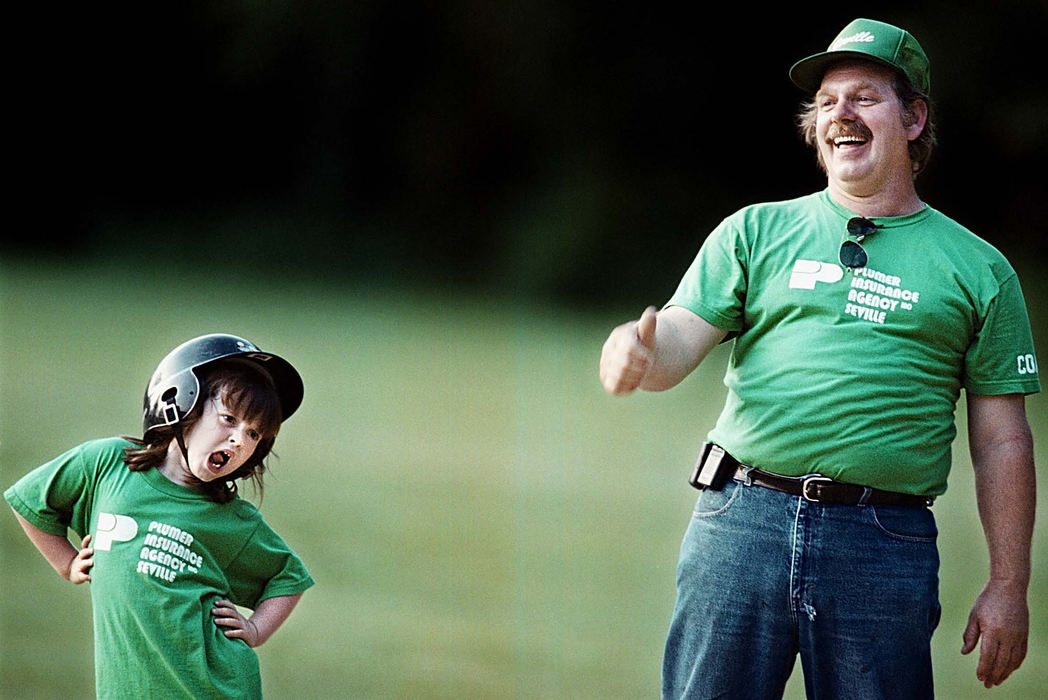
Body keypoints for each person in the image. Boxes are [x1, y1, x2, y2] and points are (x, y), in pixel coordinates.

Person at [598, 18, 1040, 699]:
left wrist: (1010, 583)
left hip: (882, 543)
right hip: (739, 523)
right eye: (828, 101)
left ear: (914, 118)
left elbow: (1003, 439)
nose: (840, 112)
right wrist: (633, 350)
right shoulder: (755, 231)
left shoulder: (980, 270)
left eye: (863, 96)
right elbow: (677, 340)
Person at [5, 333, 315, 699]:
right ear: (180, 404)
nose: (239, 441)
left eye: (253, 434)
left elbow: (288, 577)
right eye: (229, 418)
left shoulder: (232, 519)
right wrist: (66, 563)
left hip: (213, 690)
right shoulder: (108, 464)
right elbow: (28, 500)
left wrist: (257, 629)